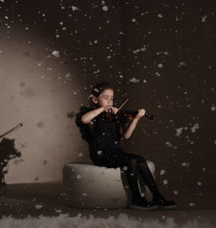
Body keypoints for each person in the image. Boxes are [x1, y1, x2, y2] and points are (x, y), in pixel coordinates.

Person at [75, 82, 176, 210]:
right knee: (131, 161)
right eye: (106, 98)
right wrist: (102, 109)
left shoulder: (115, 116)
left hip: (116, 152)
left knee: (140, 160)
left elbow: (126, 136)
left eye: (112, 98)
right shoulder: (90, 114)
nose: (110, 102)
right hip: (100, 154)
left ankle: (157, 196)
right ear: (95, 99)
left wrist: (136, 119)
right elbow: (84, 120)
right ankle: (136, 199)